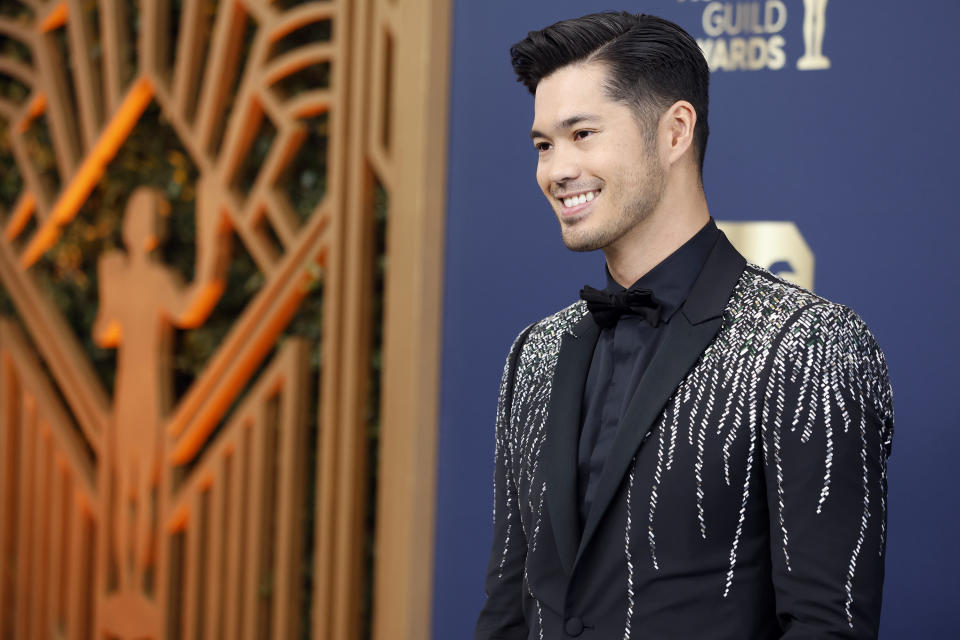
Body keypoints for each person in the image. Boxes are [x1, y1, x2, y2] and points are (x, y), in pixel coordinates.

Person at [475, 12, 893, 640]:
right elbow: (508, 610)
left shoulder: (806, 347)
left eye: (582, 134)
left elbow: (825, 626)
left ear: (674, 131)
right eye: (543, 144)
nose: (555, 170)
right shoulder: (535, 354)